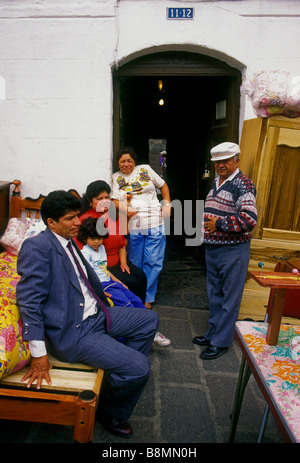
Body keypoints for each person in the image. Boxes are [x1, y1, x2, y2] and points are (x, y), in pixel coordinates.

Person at [16, 190, 159, 438]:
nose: (78, 223)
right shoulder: (37, 247)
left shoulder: (68, 240)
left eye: (77, 216)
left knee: (149, 320)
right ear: (51, 222)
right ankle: (108, 409)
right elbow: (29, 301)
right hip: (75, 332)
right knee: (139, 367)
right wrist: (39, 355)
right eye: (71, 218)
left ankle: (118, 379)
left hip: (97, 315)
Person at [193, 142, 257, 360]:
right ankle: (213, 333)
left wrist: (218, 225)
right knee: (215, 294)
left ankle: (220, 341)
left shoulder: (243, 185)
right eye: (217, 162)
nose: (220, 165)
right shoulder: (217, 181)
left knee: (230, 297)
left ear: (236, 160)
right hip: (214, 248)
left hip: (233, 250)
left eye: (225, 161)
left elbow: (249, 219)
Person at [112, 147, 172, 346]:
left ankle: (148, 297)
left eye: (129, 161)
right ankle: (138, 294)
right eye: (122, 161)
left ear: (134, 161)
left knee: (154, 262)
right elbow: (113, 200)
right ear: (118, 163)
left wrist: (167, 203)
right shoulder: (116, 178)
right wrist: (125, 207)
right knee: (136, 263)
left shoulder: (145, 170)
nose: (126, 164)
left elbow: (163, 185)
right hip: (134, 225)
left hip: (155, 221)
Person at [77, 180, 147, 304]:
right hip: (103, 268)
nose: (104, 201)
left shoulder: (111, 214)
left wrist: (124, 263)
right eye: (99, 198)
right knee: (131, 282)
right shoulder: (87, 220)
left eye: (107, 197)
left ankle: (139, 308)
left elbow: (121, 243)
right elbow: (82, 255)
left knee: (141, 276)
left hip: (118, 262)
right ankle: (131, 312)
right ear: (90, 201)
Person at [77, 216, 146, 309]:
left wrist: (119, 282)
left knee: (136, 300)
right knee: (126, 304)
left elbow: (104, 269)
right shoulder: (85, 253)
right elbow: (86, 276)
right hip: (102, 285)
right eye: (93, 239)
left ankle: (145, 320)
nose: (97, 241)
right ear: (85, 238)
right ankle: (134, 322)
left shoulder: (101, 248)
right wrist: (98, 291)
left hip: (110, 281)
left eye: (99, 238)